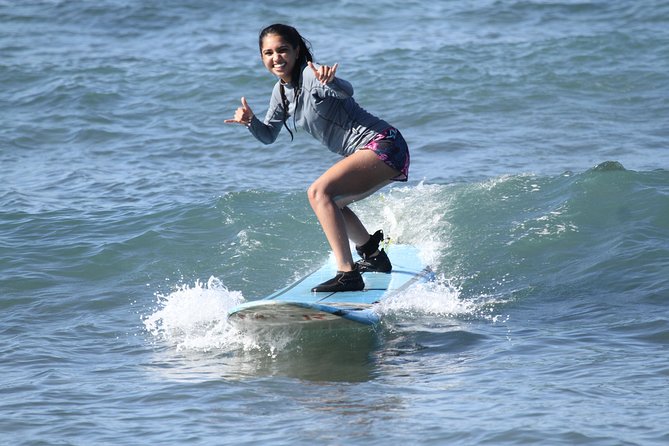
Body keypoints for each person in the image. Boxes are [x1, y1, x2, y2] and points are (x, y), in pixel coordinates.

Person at [225, 24, 410, 292]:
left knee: (318, 193)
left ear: (296, 50)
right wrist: (250, 122)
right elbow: (268, 136)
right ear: (262, 57)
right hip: (375, 150)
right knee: (332, 203)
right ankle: (373, 255)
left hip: (384, 143)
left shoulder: (312, 75)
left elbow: (346, 91)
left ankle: (348, 274)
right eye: (268, 53)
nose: (276, 57)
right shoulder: (281, 93)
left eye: (282, 50)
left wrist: (330, 80)